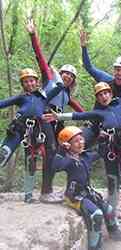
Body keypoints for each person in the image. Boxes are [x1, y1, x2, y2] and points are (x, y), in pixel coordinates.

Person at [44, 61, 121, 235]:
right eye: (100, 95)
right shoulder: (99, 113)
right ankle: (112, 215)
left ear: (110, 93)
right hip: (109, 149)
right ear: (98, 98)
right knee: (113, 181)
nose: (103, 96)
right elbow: (79, 115)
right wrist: (58, 115)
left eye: (106, 93)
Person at [26, 19, 85, 203]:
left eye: (71, 76)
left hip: (57, 122)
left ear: (73, 80)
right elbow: (41, 58)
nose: (67, 76)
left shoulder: (67, 95)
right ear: (60, 74)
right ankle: (45, 191)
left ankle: (69, 188)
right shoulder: (50, 80)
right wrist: (33, 35)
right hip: (44, 117)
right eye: (65, 73)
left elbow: (79, 109)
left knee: (68, 151)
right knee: (50, 151)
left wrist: (91, 120)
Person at [53, 126, 121, 250]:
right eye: (76, 141)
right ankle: (94, 246)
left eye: (81, 139)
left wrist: (103, 141)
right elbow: (56, 167)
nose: (80, 143)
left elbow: (100, 153)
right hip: (75, 197)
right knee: (96, 215)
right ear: (67, 145)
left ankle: (113, 230)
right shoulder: (68, 160)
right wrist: (60, 152)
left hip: (87, 193)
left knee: (108, 209)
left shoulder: (85, 156)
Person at [0, 68, 66, 202]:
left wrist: (53, 71)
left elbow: (59, 86)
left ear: (36, 82)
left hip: (34, 130)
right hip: (18, 127)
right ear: (23, 84)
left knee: (30, 160)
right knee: (3, 154)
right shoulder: (21, 97)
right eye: (25, 82)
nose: (29, 84)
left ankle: (28, 196)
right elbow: (2, 103)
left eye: (31, 81)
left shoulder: (44, 96)